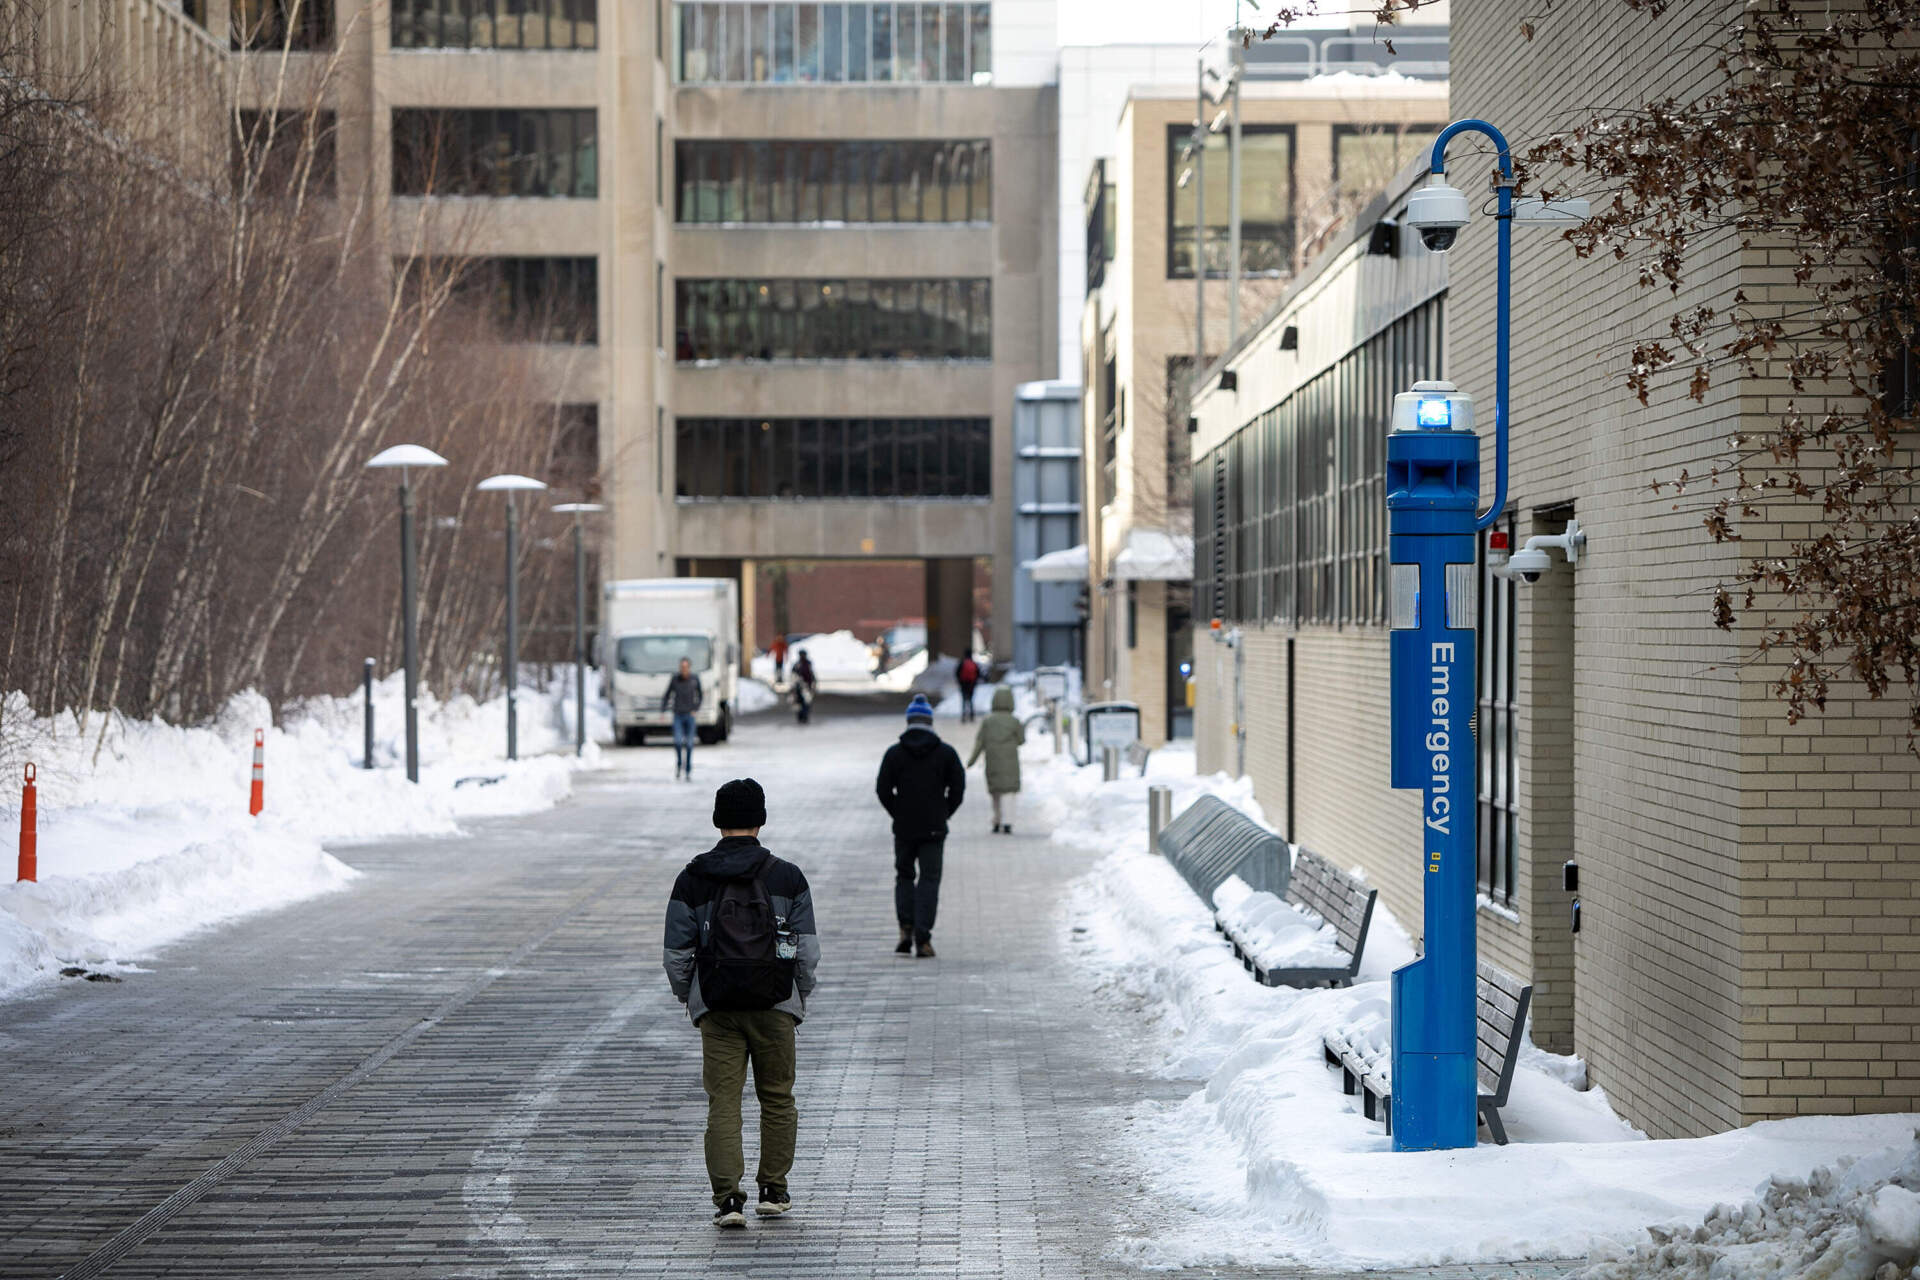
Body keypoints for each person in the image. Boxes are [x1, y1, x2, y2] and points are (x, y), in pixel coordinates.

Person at [663, 778, 820, 1229]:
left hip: (718, 1006)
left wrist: (691, 997)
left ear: (718, 820)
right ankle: (773, 1190)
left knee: (724, 1101)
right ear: (760, 819)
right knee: (777, 1098)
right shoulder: (787, 876)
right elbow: (807, 951)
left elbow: (676, 954)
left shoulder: (692, 878)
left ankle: (728, 1200)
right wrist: (796, 997)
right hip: (774, 1005)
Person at [874, 694, 964, 958]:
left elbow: (882, 789)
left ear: (909, 721)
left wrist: (897, 811)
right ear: (930, 722)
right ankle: (923, 940)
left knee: (904, 877)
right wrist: (945, 812)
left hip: (904, 828)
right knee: (929, 880)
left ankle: (906, 929)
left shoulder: (894, 753)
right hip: (934, 828)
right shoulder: (946, 753)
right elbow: (958, 787)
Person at [966, 685, 1025, 834]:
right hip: (1010, 762)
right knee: (1009, 792)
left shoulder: (988, 721)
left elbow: (979, 742)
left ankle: (997, 819)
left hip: (992, 761)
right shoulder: (1014, 721)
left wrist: (971, 761)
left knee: (996, 792)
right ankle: (1008, 822)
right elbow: (1021, 740)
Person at [663, 657, 703, 781]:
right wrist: (663, 710)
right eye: (682, 667)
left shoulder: (694, 679)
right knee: (678, 742)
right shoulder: (675, 679)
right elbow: (667, 694)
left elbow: (700, 695)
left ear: (689, 668)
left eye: (686, 667)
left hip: (690, 715)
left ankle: (688, 770)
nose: (683, 670)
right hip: (678, 715)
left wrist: (695, 708)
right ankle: (679, 764)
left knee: (690, 744)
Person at [790, 649, 817, 724]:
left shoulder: (808, 664)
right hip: (799, 686)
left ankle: (804, 716)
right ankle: (800, 716)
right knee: (799, 702)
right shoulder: (797, 664)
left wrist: (814, 683)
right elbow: (793, 676)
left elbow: (811, 674)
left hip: (806, 686)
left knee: (806, 702)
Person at [955, 652, 981, 723]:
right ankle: (971, 716)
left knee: (964, 700)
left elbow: (957, 673)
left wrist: (960, 682)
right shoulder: (974, 663)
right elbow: (978, 674)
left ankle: (963, 716)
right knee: (971, 700)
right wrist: (974, 682)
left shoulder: (962, 663)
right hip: (971, 685)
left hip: (963, 684)